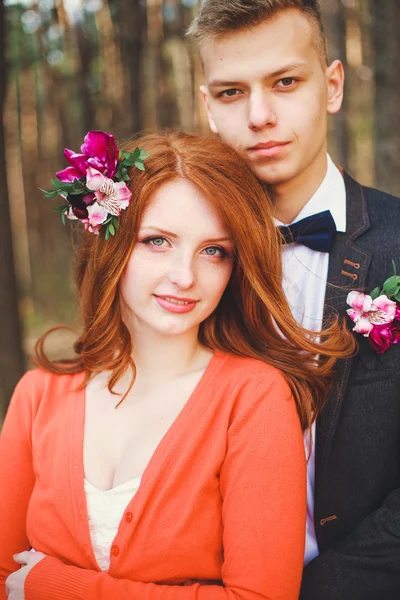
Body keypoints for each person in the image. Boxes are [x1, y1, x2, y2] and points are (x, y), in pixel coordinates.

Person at [0, 131, 353, 600]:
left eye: (214, 251)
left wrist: (55, 585)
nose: (185, 276)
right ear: (113, 243)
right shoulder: (37, 395)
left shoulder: (253, 397)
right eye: (158, 241)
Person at [188, 1, 400, 598]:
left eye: (285, 83)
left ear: (331, 86)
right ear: (207, 105)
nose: (259, 116)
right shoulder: (178, 265)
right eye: (231, 93)